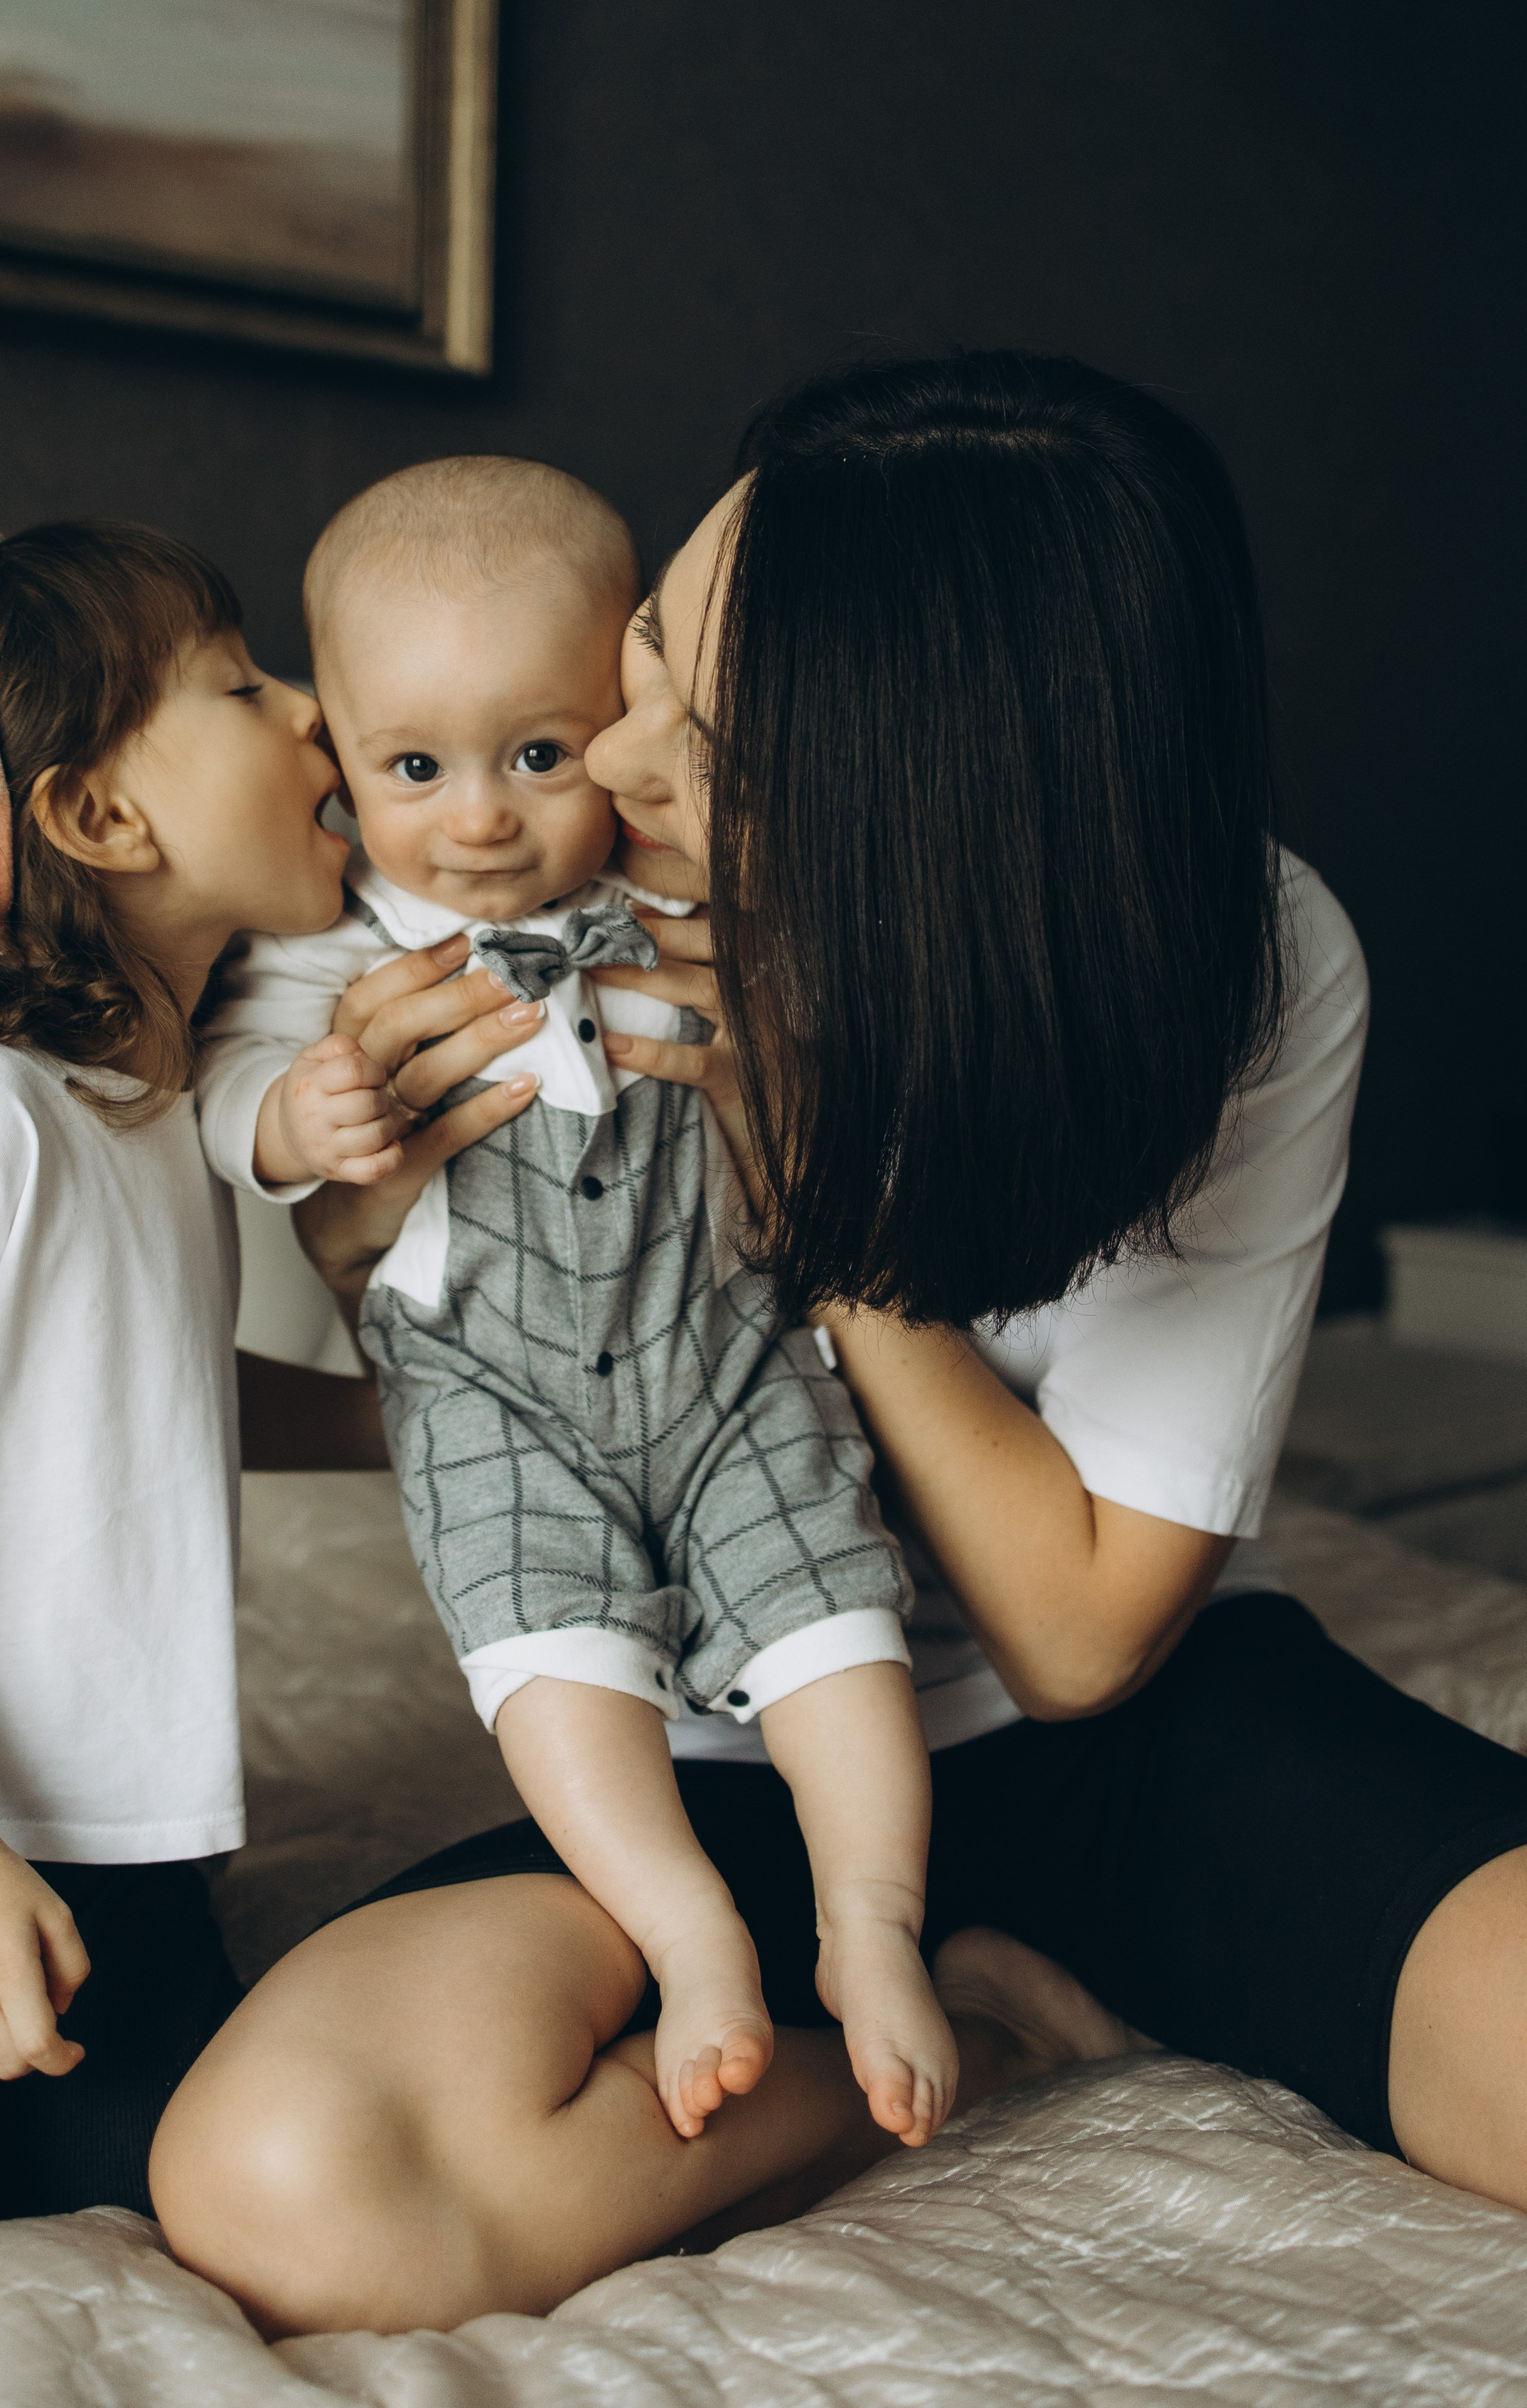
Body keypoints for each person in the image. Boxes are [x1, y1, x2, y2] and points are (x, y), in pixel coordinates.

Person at [151, 350, 1527, 2338]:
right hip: (715, 1734)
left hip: (1111, 1729)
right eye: (642, 658)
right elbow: (440, 1340)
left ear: (915, 819)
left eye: (687, 742)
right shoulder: (531, 904)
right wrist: (370, 1221)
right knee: (292, 2183)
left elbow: (1080, 1637)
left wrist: (823, 1216)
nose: (596, 770)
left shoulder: (1235, 955)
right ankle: (951, 2027)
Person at [0, 488, 525, 2305]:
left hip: (102, 1825)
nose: (318, 711)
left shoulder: (141, 1116)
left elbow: (130, 1407)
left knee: (152, 2183)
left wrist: (409, 1419)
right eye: (242, 686)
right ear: (94, 814)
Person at [197, 453, 955, 2151]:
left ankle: (873, 1924)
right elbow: (231, 1075)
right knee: (550, 1660)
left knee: (837, 1621)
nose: (479, 816)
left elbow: (819, 1015)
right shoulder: (330, 944)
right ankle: (689, 1933)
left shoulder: (684, 893)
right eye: (416, 767)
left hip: (729, 1355)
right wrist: (288, 1118)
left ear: (620, 710)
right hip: (492, 1397)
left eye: (536, 754)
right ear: (338, 759)